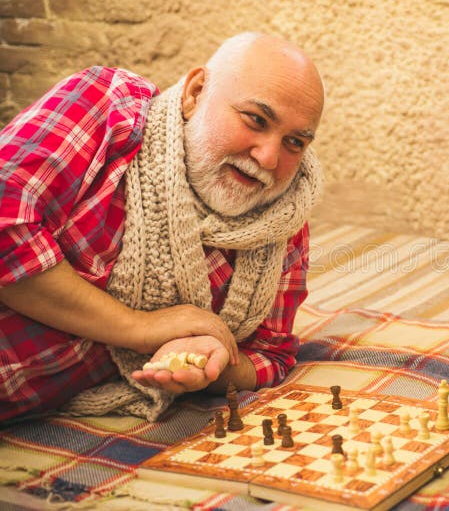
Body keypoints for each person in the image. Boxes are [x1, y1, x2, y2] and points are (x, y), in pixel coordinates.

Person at [0, 32, 325, 422]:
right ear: (195, 92)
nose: (269, 158)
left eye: (294, 142)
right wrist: (142, 327)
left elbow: (270, 355)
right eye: (256, 120)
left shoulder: (283, 222)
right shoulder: (109, 106)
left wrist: (210, 361)